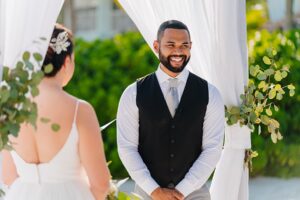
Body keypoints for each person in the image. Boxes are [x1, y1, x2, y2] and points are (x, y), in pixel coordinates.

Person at [117, 20, 225, 200]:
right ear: (156, 46)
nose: (178, 51)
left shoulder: (211, 94)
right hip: (147, 193)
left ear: (191, 47)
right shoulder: (132, 93)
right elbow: (127, 148)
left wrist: (182, 191)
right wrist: (154, 191)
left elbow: (212, 148)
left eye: (184, 45)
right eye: (170, 44)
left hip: (194, 194)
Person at [1, 24, 110, 200]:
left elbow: (8, 176)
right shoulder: (79, 110)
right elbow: (101, 183)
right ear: (67, 62)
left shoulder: (9, 108)